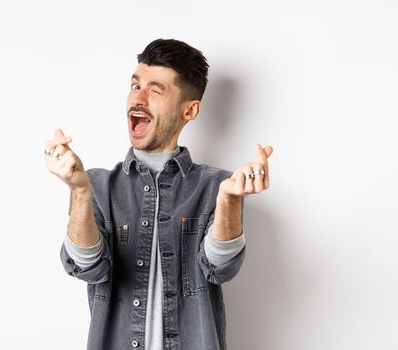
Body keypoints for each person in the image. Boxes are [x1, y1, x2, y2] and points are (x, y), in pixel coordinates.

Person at [43, 38, 274, 350]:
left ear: (189, 110)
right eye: (135, 85)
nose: (138, 98)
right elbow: (87, 266)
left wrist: (229, 200)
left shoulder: (216, 187)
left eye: (155, 89)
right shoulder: (96, 185)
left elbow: (220, 268)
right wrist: (80, 192)